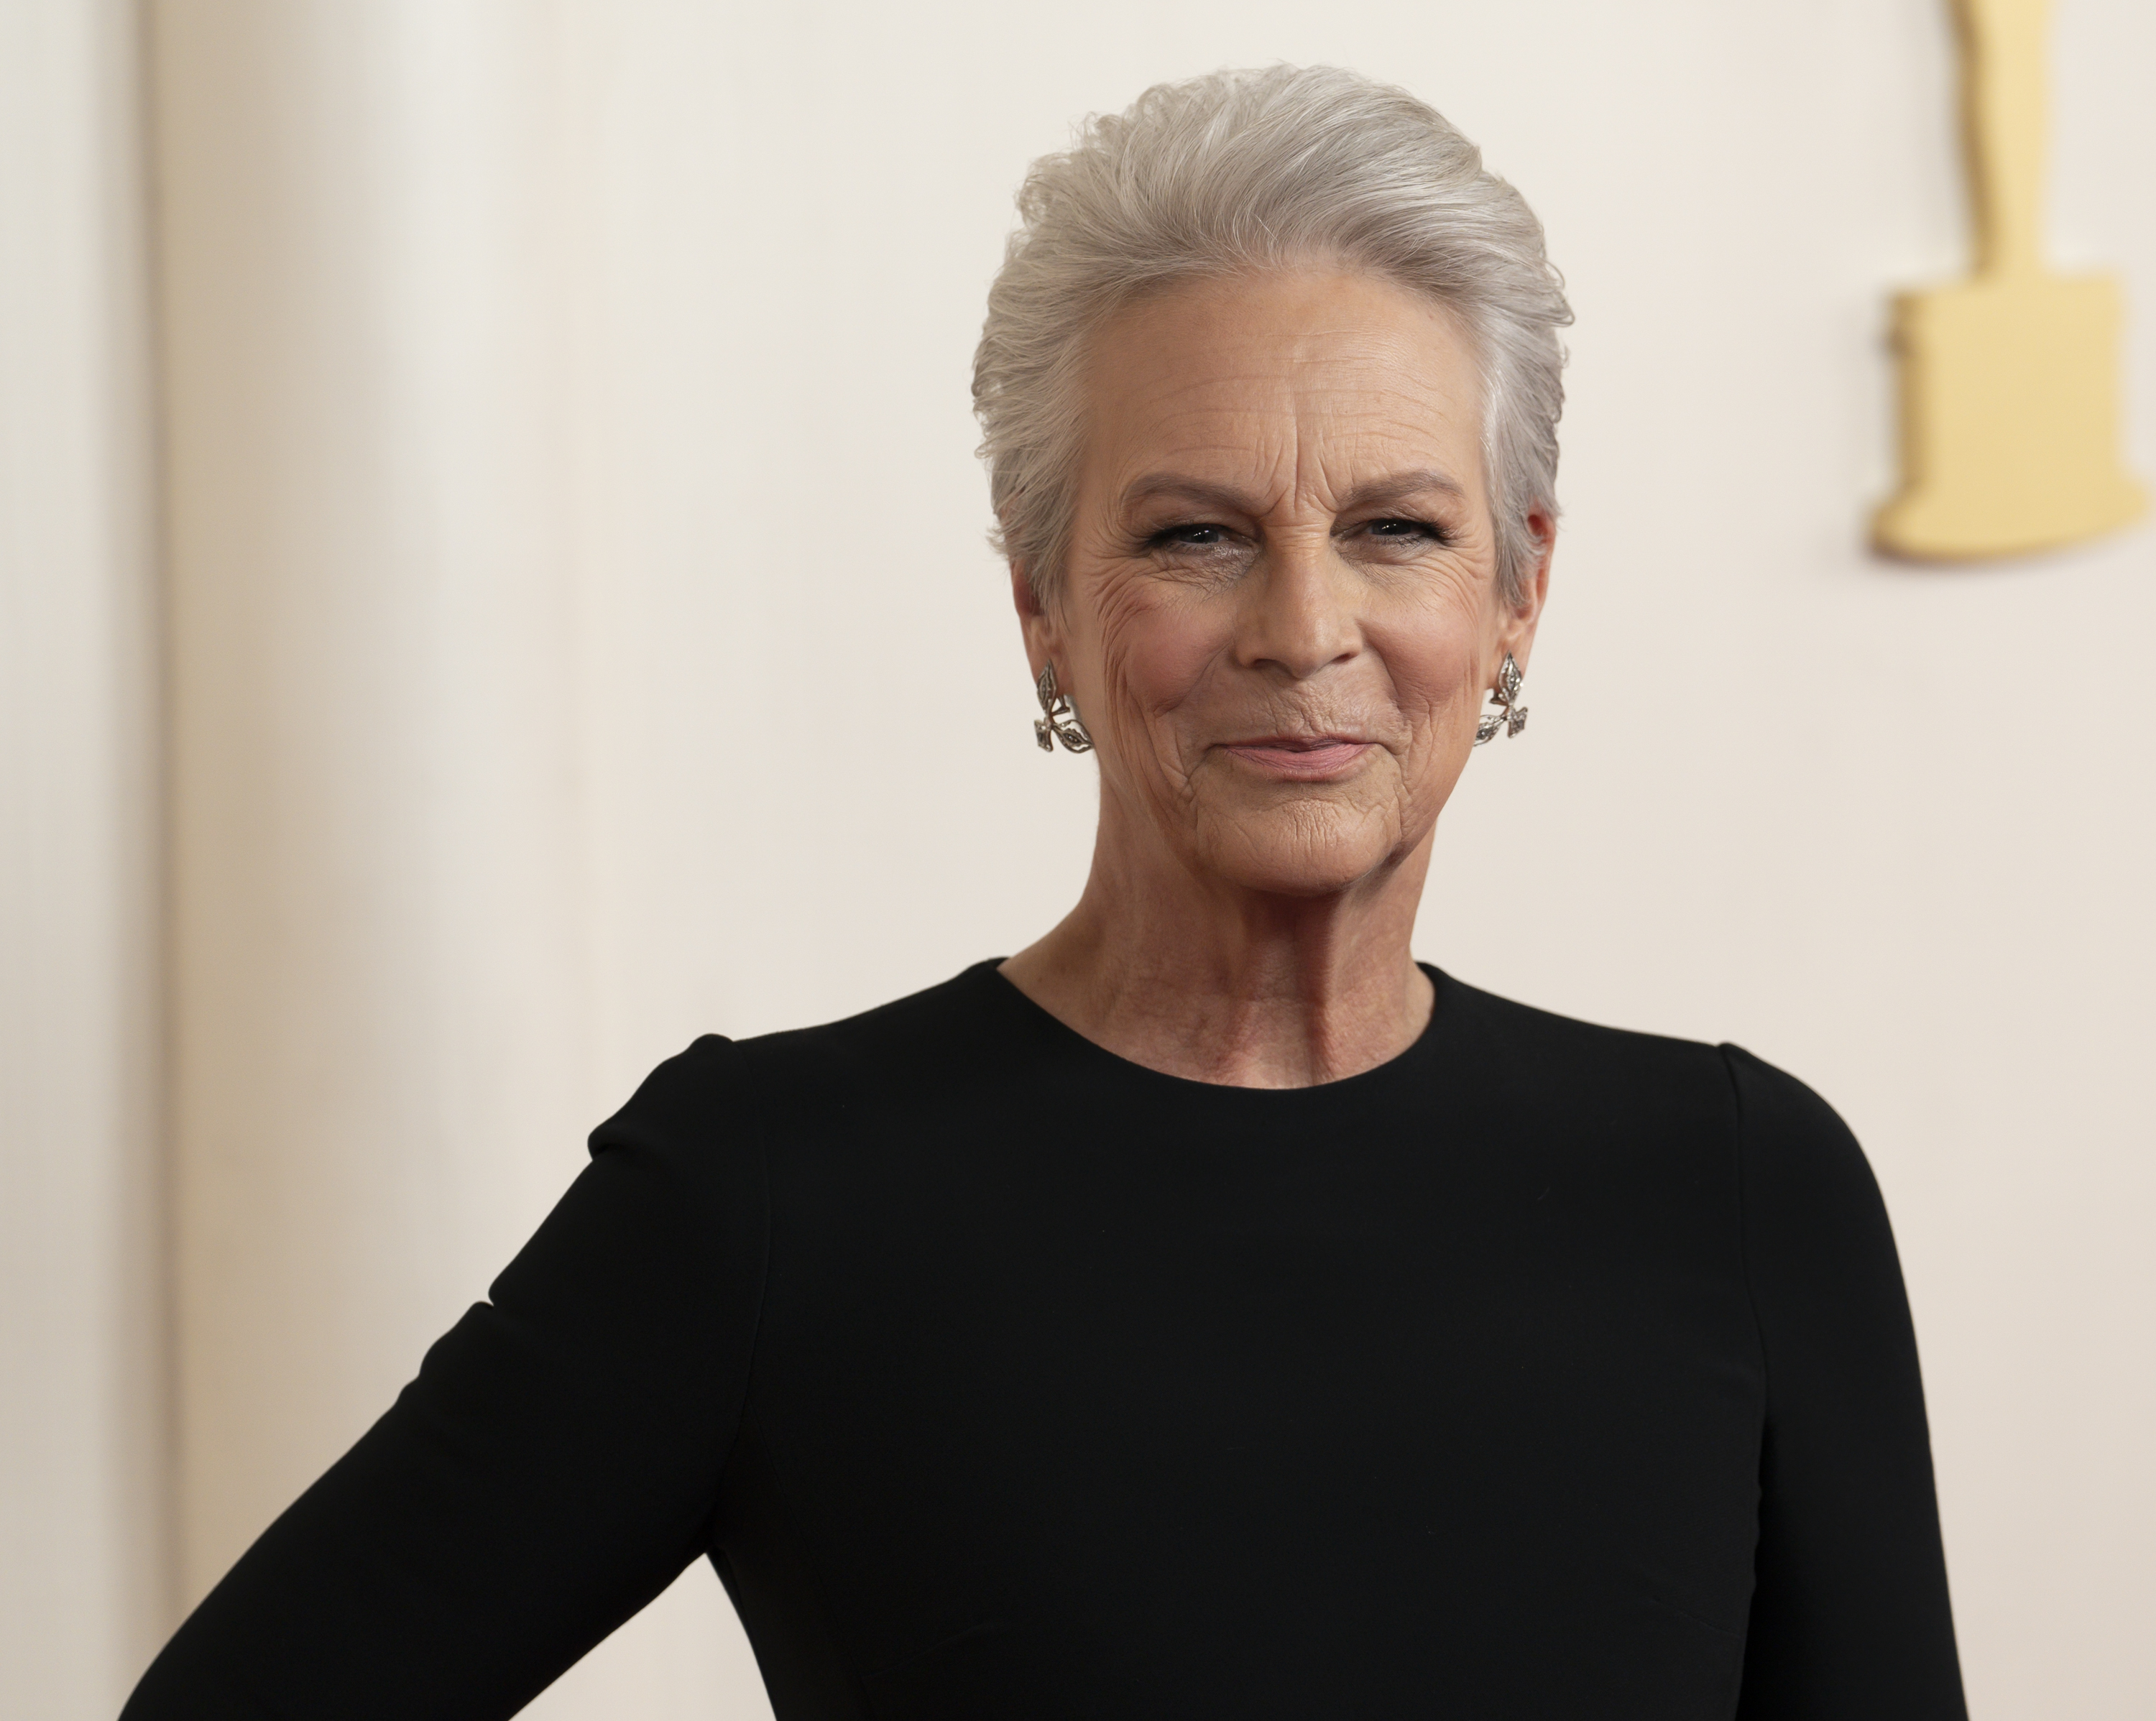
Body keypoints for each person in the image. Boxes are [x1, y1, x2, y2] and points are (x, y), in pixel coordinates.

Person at [121, 65, 1966, 1720]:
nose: (1304, 630)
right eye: (1195, 535)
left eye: (1396, 526)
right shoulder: (771, 1195)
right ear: (1044, 605)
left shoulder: (1741, 1185)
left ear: (1515, 595)